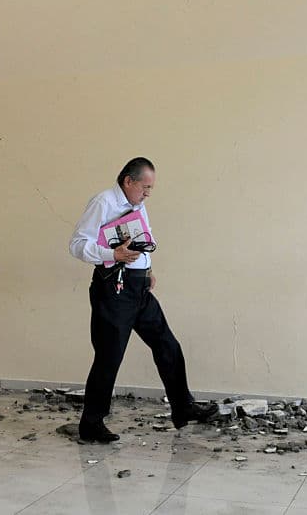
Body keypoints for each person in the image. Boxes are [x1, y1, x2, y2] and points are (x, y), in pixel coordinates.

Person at [69, 157, 217, 443]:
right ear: (128, 181)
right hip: (114, 288)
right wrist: (113, 255)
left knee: (167, 344)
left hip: (139, 287)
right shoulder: (103, 203)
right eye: (145, 187)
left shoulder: (137, 205)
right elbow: (77, 244)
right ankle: (91, 424)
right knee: (109, 357)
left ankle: (182, 407)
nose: (148, 193)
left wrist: (147, 271)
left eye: (151, 188)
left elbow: (143, 241)